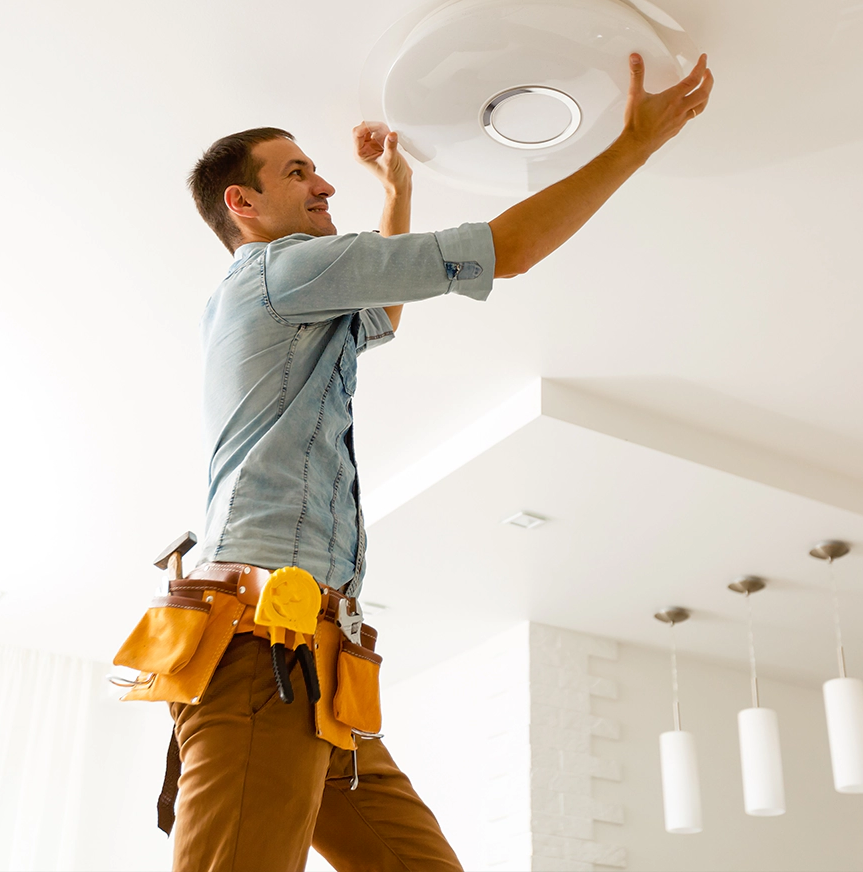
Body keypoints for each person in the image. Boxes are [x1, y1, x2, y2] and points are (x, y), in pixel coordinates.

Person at [171, 52, 713, 871]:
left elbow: (384, 312)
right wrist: (634, 142)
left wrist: (397, 191)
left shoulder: (297, 297)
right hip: (263, 652)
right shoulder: (280, 271)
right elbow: (510, 249)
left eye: (318, 170)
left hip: (318, 661)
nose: (322, 185)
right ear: (241, 204)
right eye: (297, 172)